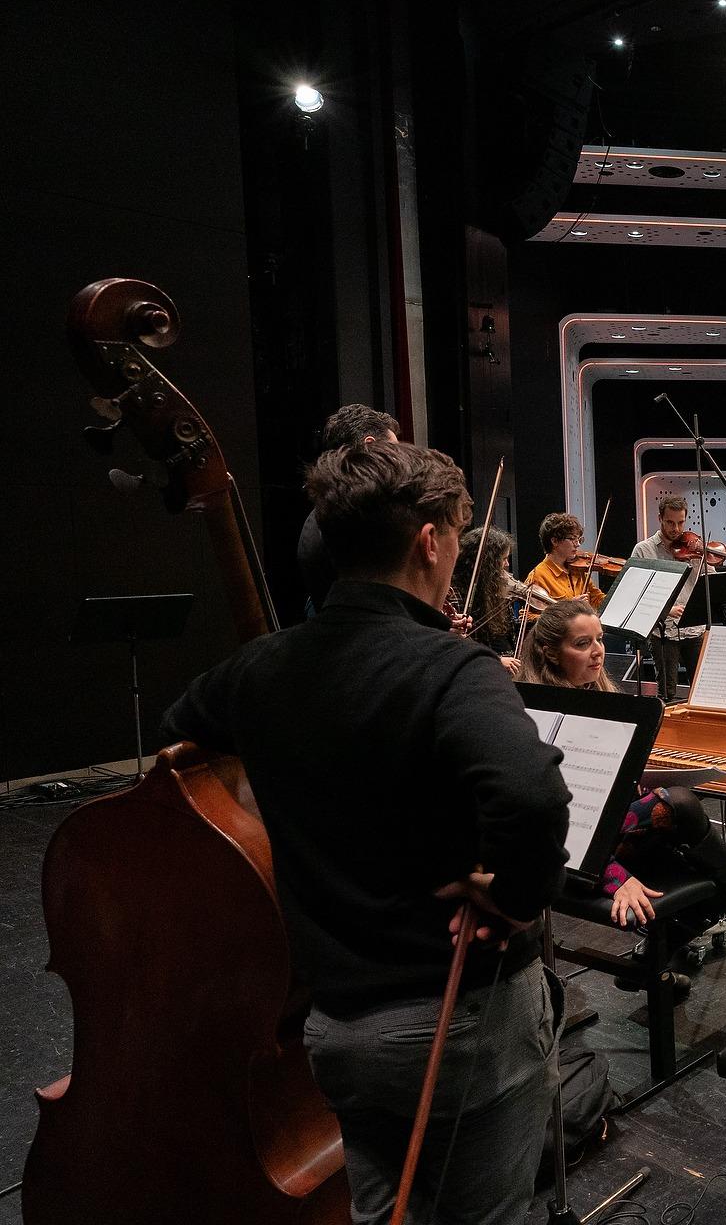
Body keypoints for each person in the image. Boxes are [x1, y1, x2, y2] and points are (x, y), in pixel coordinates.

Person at [162, 439, 570, 1225]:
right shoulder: (454, 670)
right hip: (454, 1027)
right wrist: (516, 899)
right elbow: (529, 798)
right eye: (455, 532)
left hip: (334, 1028)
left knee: (381, 1209)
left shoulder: (259, 668)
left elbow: (181, 736)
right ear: (429, 541)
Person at [516, 598, 726, 924]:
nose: (597, 651)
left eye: (600, 639)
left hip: (606, 825)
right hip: (571, 845)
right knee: (680, 804)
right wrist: (615, 877)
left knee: (684, 831)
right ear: (550, 652)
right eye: (582, 643)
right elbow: (561, 824)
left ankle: (667, 951)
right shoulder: (536, 716)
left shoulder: (600, 696)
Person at [628, 495, 726, 701]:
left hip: (694, 628)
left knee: (701, 687)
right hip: (664, 630)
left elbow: (710, 581)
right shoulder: (644, 550)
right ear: (660, 519)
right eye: (670, 522)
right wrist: (666, 609)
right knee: (668, 692)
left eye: (680, 522)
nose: (676, 529)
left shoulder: (695, 547)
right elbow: (636, 592)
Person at [297, 403, 399, 613]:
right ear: (370, 446)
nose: (399, 460)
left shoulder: (320, 514)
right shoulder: (361, 516)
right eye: (394, 450)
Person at [454, 526, 521, 676]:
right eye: (503, 559)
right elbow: (458, 643)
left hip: (510, 665)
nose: (507, 565)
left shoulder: (497, 589)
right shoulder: (457, 593)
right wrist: (496, 659)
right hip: (482, 670)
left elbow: (508, 633)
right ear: (488, 561)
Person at [524, 511, 606, 611]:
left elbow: (597, 599)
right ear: (554, 541)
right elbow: (528, 617)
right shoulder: (538, 576)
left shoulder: (578, 569)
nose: (577, 544)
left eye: (579, 539)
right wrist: (567, 609)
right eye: (572, 539)